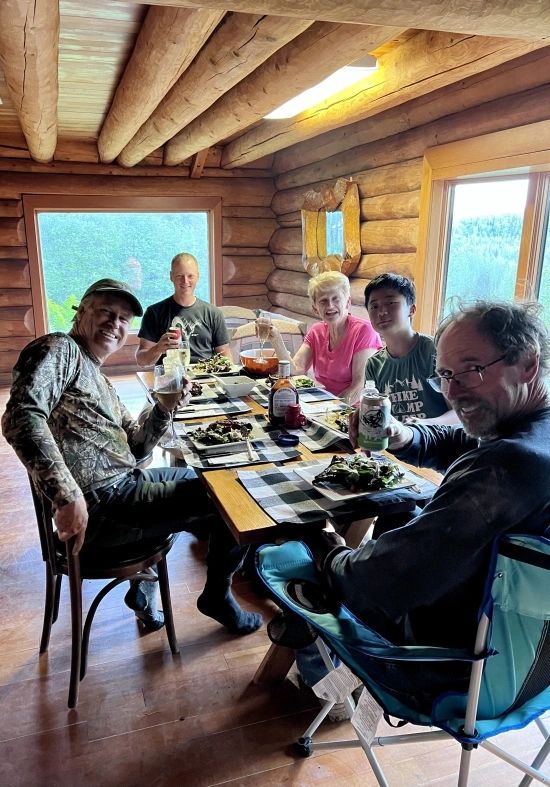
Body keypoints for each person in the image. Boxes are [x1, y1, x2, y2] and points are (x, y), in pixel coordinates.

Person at [290, 299, 550, 710]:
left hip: (457, 669)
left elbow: (386, 579)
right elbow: (469, 442)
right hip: (533, 663)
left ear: (528, 364)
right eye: (445, 374)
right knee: (399, 511)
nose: (452, 390)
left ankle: (321, 681)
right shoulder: (534, 436)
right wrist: (404, 436)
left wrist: (329, 551)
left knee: (288, 553)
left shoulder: (510, 466)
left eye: (470, 370)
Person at [1, 278, 262, 637]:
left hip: (123, 487)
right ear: (81, 312)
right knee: (234, 501)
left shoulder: (97, 376)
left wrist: (164, 408)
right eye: (106, 312)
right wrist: (66, 495)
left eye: (124, 318)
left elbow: (137, 448)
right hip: (102, 506)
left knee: (217, 482)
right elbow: (21, 416)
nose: (115, 323)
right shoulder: (60, 349)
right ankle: (217, 593)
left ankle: (146, 586)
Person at [259, 271, 382, 403]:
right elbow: (295, 369)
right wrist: (275, 338)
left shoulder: (364, 331)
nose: (330, 306)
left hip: (353, 410)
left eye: (336, 299)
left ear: (347, 302)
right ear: (315, 308)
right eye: (323, 301)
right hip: (321, 403)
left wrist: (333, 411)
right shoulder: (317, 331)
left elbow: (359, 387)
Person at [363, 273, 458, 424]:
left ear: (412, 309)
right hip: (395, 444)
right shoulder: (374, 365)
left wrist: (422, 425)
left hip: (438, 441)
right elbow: (375, 416)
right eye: (374, 306)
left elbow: (459, 414)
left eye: (391, 303)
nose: (381, 312)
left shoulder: (435, 351)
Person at [136, 252, 231, 366]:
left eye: (190, 276)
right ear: (171, 276)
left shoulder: (213, 313)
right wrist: (158, 348)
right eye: (179, 276)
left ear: (198, 276)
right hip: (170, 377)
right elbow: (141, 360)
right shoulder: (154, 312)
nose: (185, 281)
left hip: (206, 377)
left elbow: (224, 354)